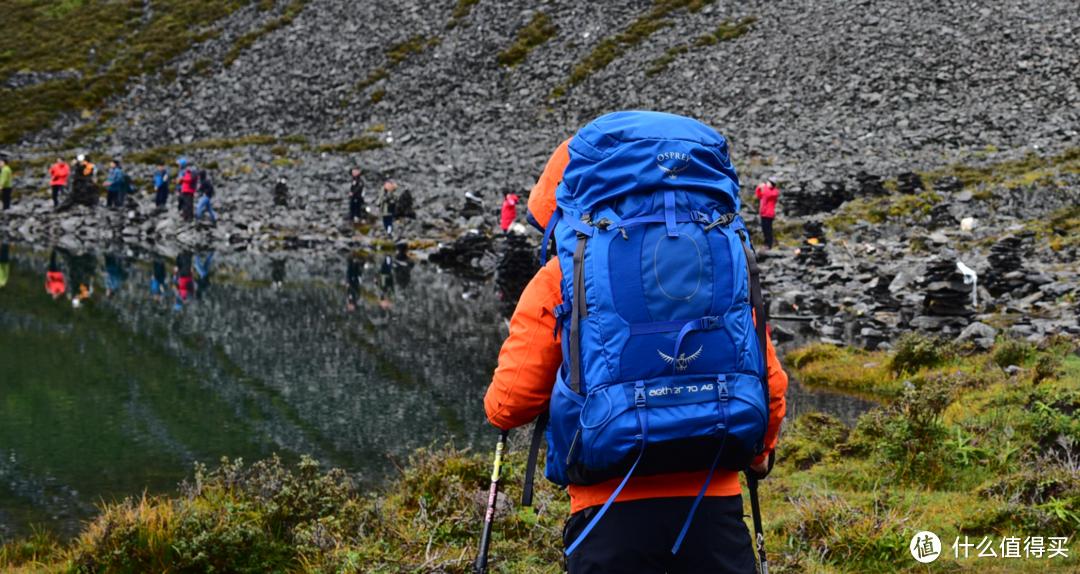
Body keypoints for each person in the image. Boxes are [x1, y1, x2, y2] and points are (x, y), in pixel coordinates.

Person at [484, 119, 788, 574]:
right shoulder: (721, 260)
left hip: (608, 514)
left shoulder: (564, 275)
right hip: (715, 507)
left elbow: (510, 405)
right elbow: (767, 377)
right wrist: (760, 453)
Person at [755, 177, 779, 250]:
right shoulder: (766, 191)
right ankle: (766, 243)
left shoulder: (775, 191)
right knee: (764, 229)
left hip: (769, 214)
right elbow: (759, 195)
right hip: (763, 213)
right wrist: (758, 188)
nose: (766, 184)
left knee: (768, 230)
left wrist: (764, 187)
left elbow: (769, 195)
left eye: (768, 182)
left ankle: (768, 244)